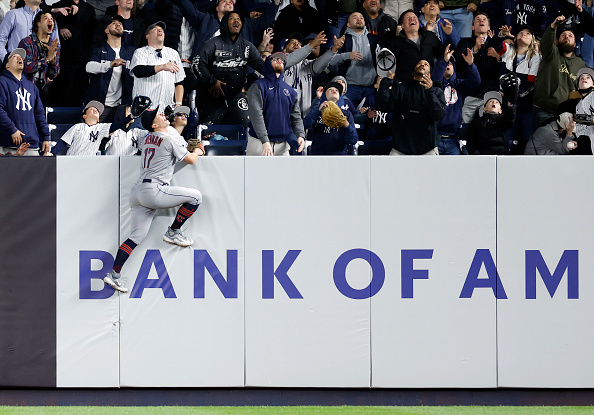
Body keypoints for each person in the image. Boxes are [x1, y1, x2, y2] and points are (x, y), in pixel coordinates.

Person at [104, 107, 205, 294]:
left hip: (137, 192)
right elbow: (190, 159)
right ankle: (174, 231)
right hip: (155, 190)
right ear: (153, 124)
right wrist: (198, 150)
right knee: (195, 197)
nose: (163, 115)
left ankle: (114, 274)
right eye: (158, 115)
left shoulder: (147, 139)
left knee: (135, 237)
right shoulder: (168, 139)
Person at [192, 11, 263, 126]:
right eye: (232, 19)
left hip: (236, 96)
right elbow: (196, 64)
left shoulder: (247, 46)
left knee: (250, 126)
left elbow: (262, 66)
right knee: (208, 132)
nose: (236, 21)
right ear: (225, 23)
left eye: (239, 19)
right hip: (211, 97)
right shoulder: (213, 43)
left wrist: (276, 70)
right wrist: (212, 81)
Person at [375, 59, 446, 155]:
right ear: (413, 73)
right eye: (419, 63)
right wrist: (386, 82)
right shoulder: (400, 89)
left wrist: (430, 92)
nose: (422, 65)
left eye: (426, 64)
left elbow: (438, 115)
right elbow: (383, 106)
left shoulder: (437, 92)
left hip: (428, 149)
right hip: (400, 148)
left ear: (429, 75)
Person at [246, 52, 306, 156]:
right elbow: (256, 115)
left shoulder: (290, 91)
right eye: (275, 59)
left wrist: (300, 135)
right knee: (256, 173)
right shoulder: (258, 86)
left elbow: (296, 116)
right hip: (259, 143)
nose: (280, 61)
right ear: (267, 63)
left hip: (282, 146)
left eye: (282, 60)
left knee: (284, 173)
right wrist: (265, 141)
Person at [532, 15, 585, 127]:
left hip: (566, 115)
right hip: (543, 111)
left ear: (575, 44)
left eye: (570, 36)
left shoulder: (580, 64)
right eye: (563, 35)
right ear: (556, 41)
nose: (566, 37)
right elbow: (546, 42)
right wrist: (553, 26)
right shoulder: (551, 52)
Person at [454, 12, 506, 124]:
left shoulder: (496, 44)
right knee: (464, 129)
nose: (481, 21)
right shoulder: (465, 42)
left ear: (488, 27)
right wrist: (475, 49)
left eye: (484, 19)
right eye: (477, 19)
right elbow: (458, 64)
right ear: (473, 27)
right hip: (469, 95)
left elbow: (504, 68)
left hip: (489, 96)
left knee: (488, 128)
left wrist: (497, 57)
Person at [499, 24, 541, 154]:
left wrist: (515, 96)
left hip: (526, 108)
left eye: (528, 33)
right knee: (509, 143)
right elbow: (497, 46)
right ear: (516, 37)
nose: (524, 34)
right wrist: (502, 35)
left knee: (527, 144)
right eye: (521, 32)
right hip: (507, 107)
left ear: (533, 40)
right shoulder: (509, 50)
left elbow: (531, 82)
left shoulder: (536, 57)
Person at [0, 48, 50, 156]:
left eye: (21, 57)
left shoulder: (31, 86)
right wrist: (12, 129)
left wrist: (46, 136)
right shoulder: (2, 82)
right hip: (8, 145)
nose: (20, 58)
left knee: (35, 173)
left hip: (31, 145)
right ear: (7, 65)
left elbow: (39, 114)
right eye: (14, 56)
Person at [86, 15, 135, 122]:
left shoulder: (131, 51)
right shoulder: (99, 49)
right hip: (100, 105)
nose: (118, 25)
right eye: (113, 23)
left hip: (122, 106)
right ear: (106, 30)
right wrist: (109, 64)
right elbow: (88, 67)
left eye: (121, 23)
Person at [432, 44, 479, 154]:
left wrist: (471, 65)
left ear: (454, 68)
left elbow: (476, 83)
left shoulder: (459, 85)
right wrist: (443, 61)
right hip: (435, 137)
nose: (448, 65)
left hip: (453, 138)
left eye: (450, 64)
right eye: (445, 63)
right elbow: (436, 80)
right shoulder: (434, 85)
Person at [283, 31, 344, 116]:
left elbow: (320, 64)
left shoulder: (307, 64)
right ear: (284, 49)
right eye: (292, 42)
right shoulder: (279, 61)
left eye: (298, 43)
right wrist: (311, 45)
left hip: (302, 115)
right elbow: (291, 59)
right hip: (282, 113)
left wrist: (334, 49)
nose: (296, 44)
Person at [130, 21, 186, 111]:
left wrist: (178, 103)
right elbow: (138, 71)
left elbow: (179, 81)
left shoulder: (173, 53)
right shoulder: (141, 52)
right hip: (144, 109)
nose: (159, 30)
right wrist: (163, 67)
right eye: (155, 29)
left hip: (166, 109)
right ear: (147, 36)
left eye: (161, 30)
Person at [50, 0, 96, 106]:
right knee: (63, 91)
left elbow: (91, 29)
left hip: (83, 59)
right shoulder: (58, 6)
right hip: (64, 59)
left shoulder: (88, 8)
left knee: (80, 92)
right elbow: (47, 21)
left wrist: (79, 10)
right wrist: (60, 29)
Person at [384, 9, 444, 84]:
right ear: (402, 25)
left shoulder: (429, 36)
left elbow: (442, 56)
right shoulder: (394, 43)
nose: (412, 19)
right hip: (406, 87)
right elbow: (387, 67)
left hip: (429, 84)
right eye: (408, 18)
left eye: (415, 17)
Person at [331, 11, 378, 104]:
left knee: (371, 116)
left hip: (370, 88)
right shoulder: (343, 39)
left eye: (361, 17)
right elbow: (331, 61)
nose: (359, 19)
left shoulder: (375, 39)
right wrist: (347, 55)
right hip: (350, 87)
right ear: (348, 24)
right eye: (355, 17)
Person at [50, 100, 126, 155]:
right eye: (91, 109)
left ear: (98, 119)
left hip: (89, 163)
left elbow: (114, 126)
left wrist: (129, 118)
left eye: (97, 111)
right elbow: (63, 142)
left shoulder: (101, 127)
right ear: (84, 116)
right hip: (72, 159)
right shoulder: (78, 126)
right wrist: (52, 153)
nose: (95, 110)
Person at [303, 81, 357, 154]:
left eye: (337, 90)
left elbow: (353, 140)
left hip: (339, 156)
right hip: (318, 155)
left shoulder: (346, 114)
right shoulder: (317, 111)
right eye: (330, 90)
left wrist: (346, 124)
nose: (334, 90)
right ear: (325, 95)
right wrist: (318, 110)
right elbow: (305, 125)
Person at [18, 10, 59, 105]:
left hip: (45, 92)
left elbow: (55, 73)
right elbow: (25, 67)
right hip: (27, 90)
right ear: (38, 24)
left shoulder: (54, 45)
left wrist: (53, 61)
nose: (50, 21)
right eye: (46, 18)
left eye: (52, 19)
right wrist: (47, 59)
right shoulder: (27, 42)